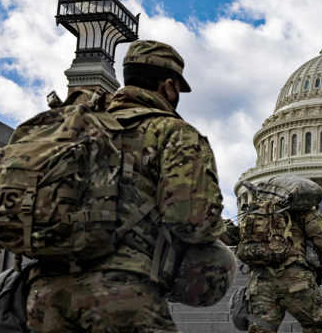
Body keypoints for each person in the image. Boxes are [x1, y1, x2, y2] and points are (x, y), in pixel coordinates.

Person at [25, 40, 229, 332]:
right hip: (120, 293)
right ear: (168, 86)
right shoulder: (173, 133)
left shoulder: (76, 127)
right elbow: (192, 221)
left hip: (43, 294)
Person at [245, 198, 322, 333]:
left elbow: (236, 236)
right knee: (317, 324)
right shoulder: (305, 211)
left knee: (261, 330)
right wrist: (320, 264)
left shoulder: (258, 211)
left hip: (259, 283)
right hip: (295, 280)